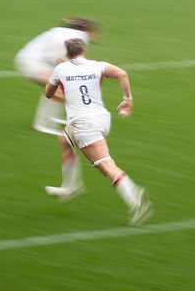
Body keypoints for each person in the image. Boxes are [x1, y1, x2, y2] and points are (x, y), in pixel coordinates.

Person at [44, 39, 152, 226]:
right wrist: (128, 99)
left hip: (85, 125)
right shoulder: (98, 66)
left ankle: (135, 198)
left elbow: (48, 94)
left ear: (67, 53)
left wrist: (63, 79)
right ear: (84, 51)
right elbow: (122, 74)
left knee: (106, 166)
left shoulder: (60, 69)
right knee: (64, 139)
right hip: (102, 119)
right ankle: (70, 187)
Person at [15, 18, 100, 200]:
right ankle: (44, 123)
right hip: (33, 63)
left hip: (28, 59)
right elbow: (58, 55)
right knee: (62, 88)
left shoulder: (62, 31)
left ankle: (48, 121)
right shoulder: (78, 37)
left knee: (62, 87)